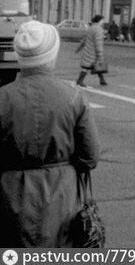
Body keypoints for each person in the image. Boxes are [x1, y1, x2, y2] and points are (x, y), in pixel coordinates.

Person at [1, 21, 102, 247]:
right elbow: (90, 156)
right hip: (62, 197)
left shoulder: (2, 98)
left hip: (10, 197)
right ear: (51, 55)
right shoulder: (73, 97)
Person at [75, 14, 109, 87]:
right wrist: (100, 54)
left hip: (88, 50)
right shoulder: (99, 30)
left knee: (95, 65)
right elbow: (98, 43)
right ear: (99, 21)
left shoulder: (90, 28)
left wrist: (78, 48)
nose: (103, 22)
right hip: (93, 51)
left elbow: (84, 40)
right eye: (102, 20)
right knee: (91, 66)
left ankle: (102, 80)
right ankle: (80, 80)